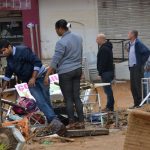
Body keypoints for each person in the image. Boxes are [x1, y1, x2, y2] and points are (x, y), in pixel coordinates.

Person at [0, 40, 65, 135]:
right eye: (1, 52)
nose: (3, 53)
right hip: (29, 82)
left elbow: (37, 62)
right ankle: (55, 121)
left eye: (4, 50)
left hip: (41, 77)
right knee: (40, 101)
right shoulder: (9, 60)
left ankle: (54, 122)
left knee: (46, 100)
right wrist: (2, 89)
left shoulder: (23, 50)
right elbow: (7, 75)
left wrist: (33, 78)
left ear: (9, 46)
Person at [44, 19, 84, 129]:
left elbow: (55, 60)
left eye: (56, 29)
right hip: (77, 69)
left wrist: (47, 75)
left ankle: (72, 122)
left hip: (66, 72)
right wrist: (81, 70)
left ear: (61, 28)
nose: (56, 31)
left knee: (68, 98)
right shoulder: (78, 37)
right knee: (77, 97)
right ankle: (81, 121)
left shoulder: (61, 42)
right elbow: (80, 53)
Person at [127, 30, 150, 108]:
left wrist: (140, 63)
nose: (128, 34)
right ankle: (136, 103)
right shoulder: (130, 44)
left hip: (137, 67)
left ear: (133, 35)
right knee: (133, 87)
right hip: (132, 67)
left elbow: (147, 51)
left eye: (129, 33)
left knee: (138, 86)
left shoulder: (138, 43)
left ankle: (141, 104)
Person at [96, 34, 115, 111]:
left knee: (107, 90)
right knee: (107, 89)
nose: (96, 40)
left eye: (97, 39)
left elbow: (103, 62)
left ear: (101, 39)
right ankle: (109, 105)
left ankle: (110, 107)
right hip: (108, 72)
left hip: (106, 72)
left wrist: (100, 73)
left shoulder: (104, 49)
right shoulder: (106, 47)